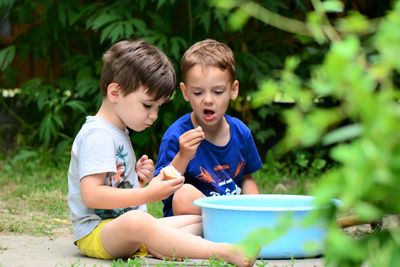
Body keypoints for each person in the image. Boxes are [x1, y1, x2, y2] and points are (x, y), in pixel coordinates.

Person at [67, 39, 256, 267]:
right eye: (148, 106)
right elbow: (92, 196)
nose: (154, 115)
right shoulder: (97, 134)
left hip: (131, 228)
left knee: (201, 217)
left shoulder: (117, 131)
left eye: (158, 107)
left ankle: (167, 246)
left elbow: (112, 186)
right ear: (115, 92)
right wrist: (148, 193)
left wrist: (134, 178)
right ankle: (222, 251)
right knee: (140, 221)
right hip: (98, 232)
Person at [155, 39, 262, 217]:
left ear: (233, 90)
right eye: (198, 92)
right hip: (192, 220)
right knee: (184, 195)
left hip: (231, 212)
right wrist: (183, 156)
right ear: (185, 92)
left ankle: (232, 227)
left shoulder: (241, 132)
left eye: (218, 91)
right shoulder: (177, 136)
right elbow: (161, 189)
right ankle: (226, 231)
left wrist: (258, 212)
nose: (208, 100)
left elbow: (246, 179)